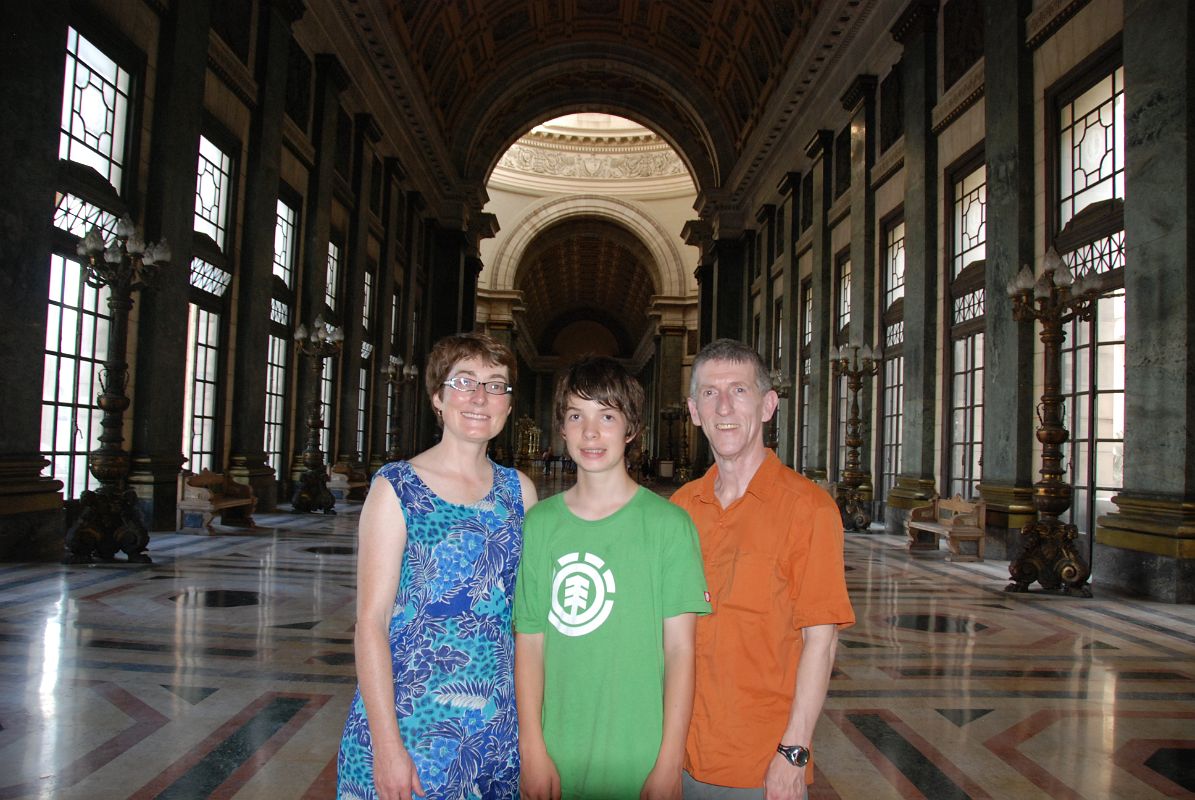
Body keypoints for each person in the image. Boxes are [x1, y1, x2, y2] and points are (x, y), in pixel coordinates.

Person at [337, 333, 538, 800]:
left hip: (495, 731)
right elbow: (371, 623)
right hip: (408, 726)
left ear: (508, 406)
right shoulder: (397, 488)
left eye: (496, 385)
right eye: (464, 381)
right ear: (437, 397)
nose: (480, 397)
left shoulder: (519, 492)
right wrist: (387, 747)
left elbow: (525, 621)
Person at [514, 356, 711, 800]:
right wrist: (532, 748)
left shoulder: (669, 526)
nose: (590, 432)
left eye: (606, 416)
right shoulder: (540, 525)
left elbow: (680, 651)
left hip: (641, 754)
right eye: (575, 416)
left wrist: (669, 761)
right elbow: (530, 641)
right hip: (556, 750)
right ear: (560, 429)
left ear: (631, 428)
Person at [671, 339, 855, 800]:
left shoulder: (808, 509)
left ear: (768, 405)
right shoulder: (679, 508)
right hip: (680, 752)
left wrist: (794, 752)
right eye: (710, 393)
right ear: (695, 411)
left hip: (761, 765)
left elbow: (822, 640)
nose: (725, 405)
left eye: (740, 390)